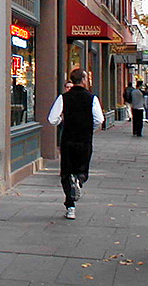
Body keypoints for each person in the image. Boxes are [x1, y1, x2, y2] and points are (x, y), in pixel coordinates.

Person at [48, 68, 104, 220]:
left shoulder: (64, 98)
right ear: (84, 80)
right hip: (84, 140)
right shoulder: (92, 98)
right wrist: (88, 127)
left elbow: (52, 119)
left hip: (68, 139)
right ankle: (79, 179)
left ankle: (70, 207)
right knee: (82, 168)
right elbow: (99, 119)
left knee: (66, 173)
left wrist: (63, 121)